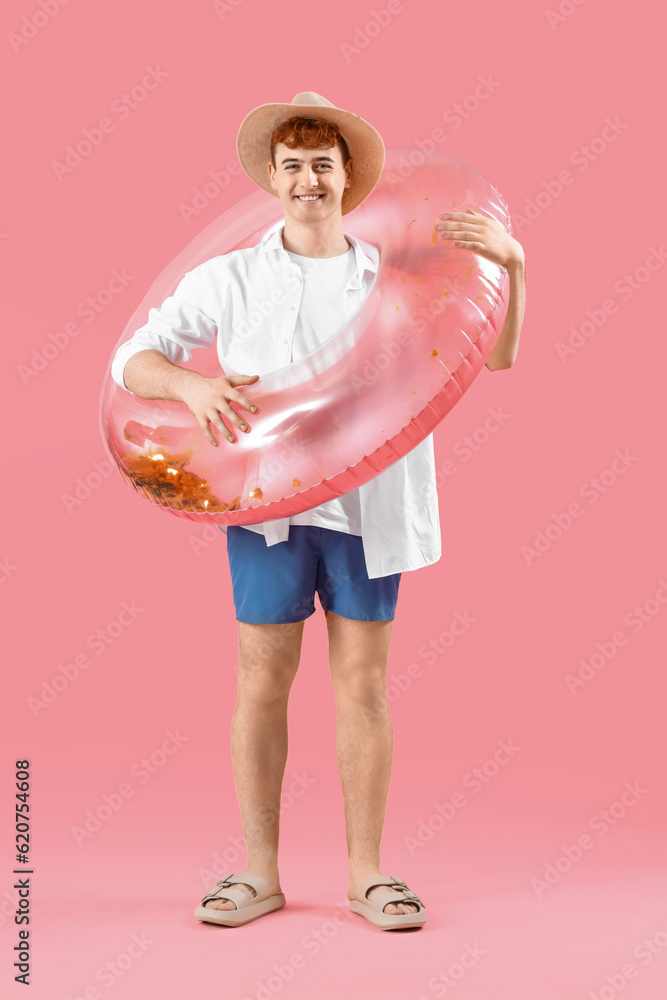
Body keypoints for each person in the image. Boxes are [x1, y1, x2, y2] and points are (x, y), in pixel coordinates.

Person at [110, 91, 526, 930]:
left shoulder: (397, 275)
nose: (308, 178)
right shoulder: (227, 277)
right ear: (273, 176)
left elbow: (499, 357)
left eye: (322, 165)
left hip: (370, 505)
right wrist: (191, 385)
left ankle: (368, 875)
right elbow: (132, 359)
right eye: (293, 165)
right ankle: (257, 872)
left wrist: (513, 263)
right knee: (260, 681)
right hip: (264, 505)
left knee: (362, 686)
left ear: (346, 178)